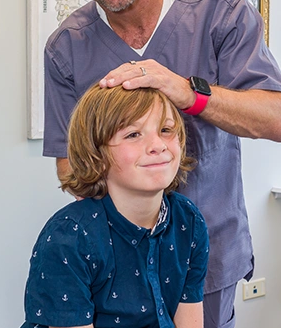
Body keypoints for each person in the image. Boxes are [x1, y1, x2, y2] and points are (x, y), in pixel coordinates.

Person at [43, 0, 281, 327]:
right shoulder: (67, 48)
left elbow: (279, 120)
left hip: (209, 253)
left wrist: (187, 93)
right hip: (115, 267)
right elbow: (70, 168)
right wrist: (138, 202)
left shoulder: (220, 13)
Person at [21, 85, 209, 328]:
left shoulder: (188, 220)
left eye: (165, 130)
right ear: (96, 156)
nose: (158, 145)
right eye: (133, 134)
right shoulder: (69, 238)